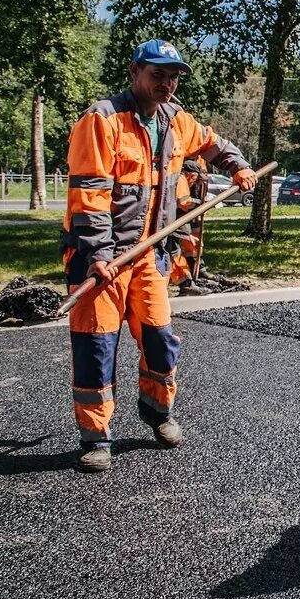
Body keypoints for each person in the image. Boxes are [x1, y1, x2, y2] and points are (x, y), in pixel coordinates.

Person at [62, 39, 256, 472]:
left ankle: (157, 413)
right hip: (103, 259)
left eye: (172, 77)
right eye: (157, 75)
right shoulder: (103, 121)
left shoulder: (175, 121)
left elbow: (214, 144)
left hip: (151, 256)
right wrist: (98, 254)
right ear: (135, 73)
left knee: (160, 340)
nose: (166, 83)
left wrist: (237, 165)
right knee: (97, 347)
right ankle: (96, 438)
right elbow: (89, 195)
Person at [169, 158, 209, 296]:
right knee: (173, 252)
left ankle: (186, 282)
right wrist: (200, 204)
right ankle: (185, 283)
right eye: (194, 178)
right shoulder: (180, 179)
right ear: (190, 175)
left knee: (173, 251)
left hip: (172, 221)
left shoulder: (177, 177)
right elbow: (184, 202)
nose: (193, 182)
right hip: (169, 222)